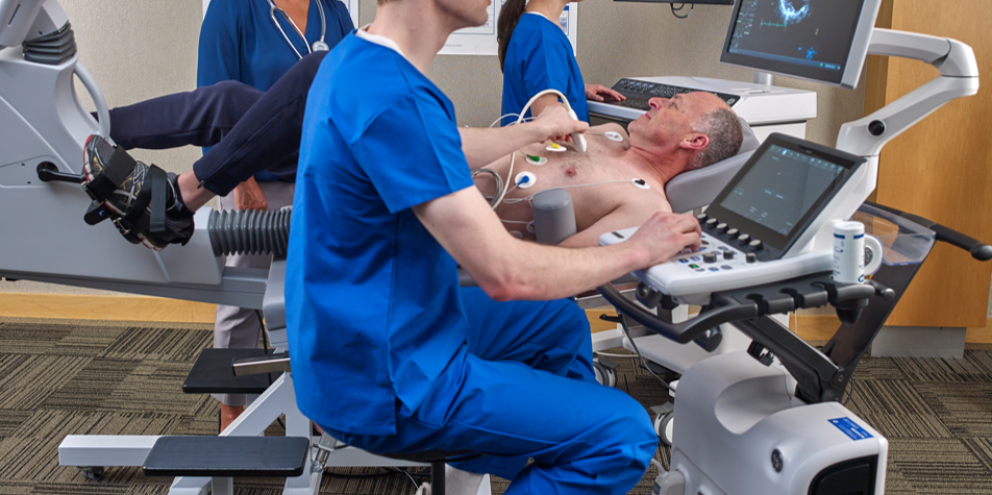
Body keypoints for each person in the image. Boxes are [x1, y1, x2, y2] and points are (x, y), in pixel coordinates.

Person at [284, 1, 702, 494]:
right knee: (623, 434)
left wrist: (532, 131)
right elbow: (507, 276)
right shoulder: (398, 97)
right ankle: (572, 448)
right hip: (387, 379)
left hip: (353, 335)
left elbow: (434, 142)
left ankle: (512, 459)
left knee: (557, 323)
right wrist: (638, 250)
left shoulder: (360, 60)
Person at [91, 74, 740, 251]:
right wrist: (552, 111)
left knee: (328, 74)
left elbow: (578, 267)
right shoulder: (608, 141)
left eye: (675, 103)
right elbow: (541, 109)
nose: (656, 100)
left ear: (694, 144)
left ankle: (178, 197)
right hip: (424, 152)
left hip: (425, 193)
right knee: (234, 101)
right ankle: (86, 134)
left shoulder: (641, 201)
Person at [198, 0, 354, 431]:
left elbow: (349, 86)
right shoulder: (232, 11)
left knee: (318, 293)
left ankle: (316, 403)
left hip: (319, 178)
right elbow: (211, 103)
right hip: (255, 185)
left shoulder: (333, 10)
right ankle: (233, 407)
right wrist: (240, 178)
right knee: (243, 298)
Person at [497, 0, 623, 122]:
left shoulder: (531, 25)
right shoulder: (544, 39)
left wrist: (573, 90)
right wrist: (608, 135)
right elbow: (548, 136)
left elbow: (531, 86)